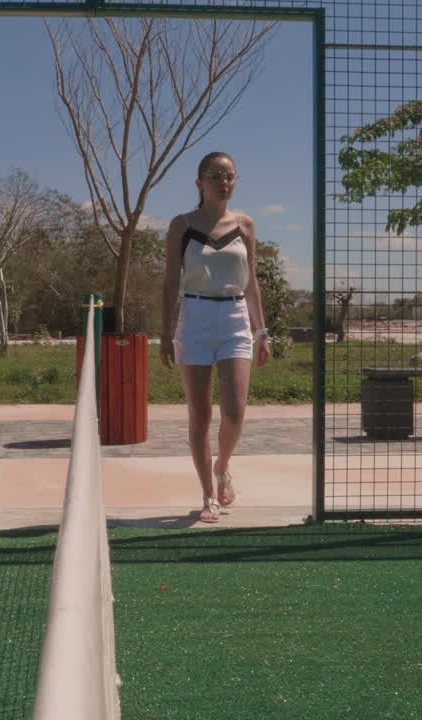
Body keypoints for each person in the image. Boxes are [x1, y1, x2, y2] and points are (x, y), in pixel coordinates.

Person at [160, 151, 268, 524]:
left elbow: (251, 282)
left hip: (235, 318)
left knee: (235, 412)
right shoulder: (181, 225)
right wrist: (164, 333)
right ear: (199, 183)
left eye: (230, 176)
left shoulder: (245, 224)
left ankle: (223, 466)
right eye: (216, 176)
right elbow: (170, 281)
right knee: (201, 414)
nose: (224, 182)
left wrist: (262, 330)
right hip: (195, 318)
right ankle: (208, 494)